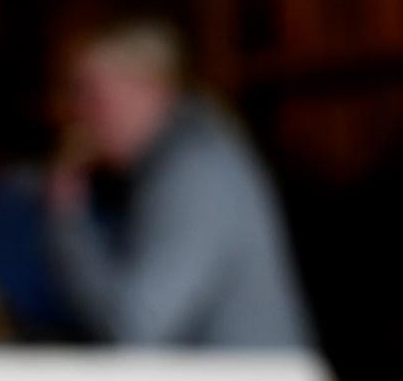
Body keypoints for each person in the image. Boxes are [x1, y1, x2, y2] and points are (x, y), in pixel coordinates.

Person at [46, 17, 314, 349]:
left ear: (151, 87)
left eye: (90, 92)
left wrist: (67, 218)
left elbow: (134, 328)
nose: (76, 112)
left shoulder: (197, 170)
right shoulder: (167, 166)